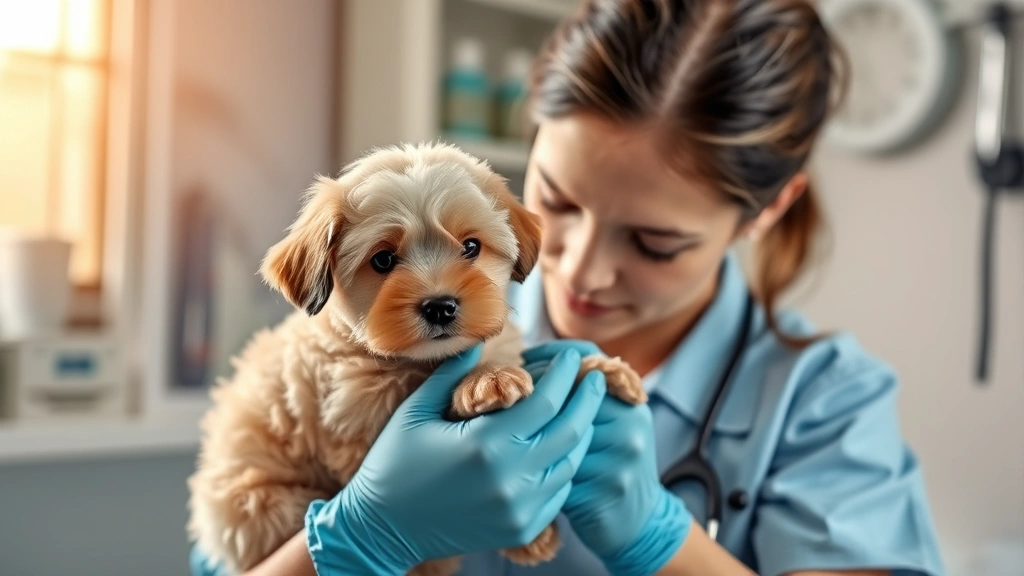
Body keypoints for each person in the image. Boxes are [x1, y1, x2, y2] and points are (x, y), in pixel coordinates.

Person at [190, 0, 947, 574]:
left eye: (654, 242)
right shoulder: (348, 354)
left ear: (767, 209)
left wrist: (661, 537)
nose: (579, 268)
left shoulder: (824, 405)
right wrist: (358, 539)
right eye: (555, 199)